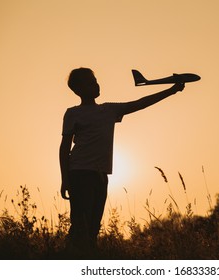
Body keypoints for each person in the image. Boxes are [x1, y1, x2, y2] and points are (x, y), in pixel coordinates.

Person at [59, 67, 185, 257]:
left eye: (96, 80)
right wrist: (65, 179)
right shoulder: (72, 113)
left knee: (93, 227)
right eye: (90, 82)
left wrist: (171, 90)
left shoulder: (109, 110)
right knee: (80, 227)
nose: (96, 84)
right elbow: (64, 148)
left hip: (101, 176)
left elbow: (141, 103)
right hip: (80, 174)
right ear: (78, 90)